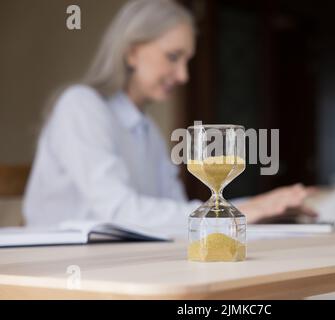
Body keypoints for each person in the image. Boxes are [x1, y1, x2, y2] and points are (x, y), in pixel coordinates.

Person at [24, 0, 316, 229]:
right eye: (173, 57)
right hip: (62, 269)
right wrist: (246, 211)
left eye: (187, 61)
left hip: (123, 262)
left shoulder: (146, 128)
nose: (183, 75)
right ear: (132, 52)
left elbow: (174, 210)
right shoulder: (80, 105)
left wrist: (261, 207)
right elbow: (118, 211)